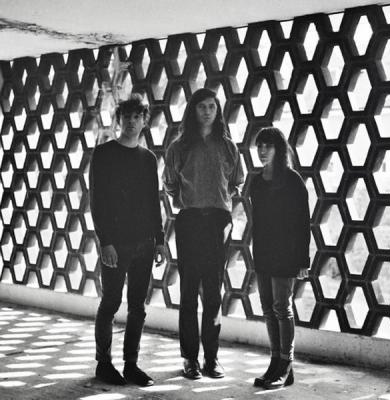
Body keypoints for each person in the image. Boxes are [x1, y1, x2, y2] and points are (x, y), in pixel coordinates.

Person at [163, 88, 244, 380]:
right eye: (202, 107)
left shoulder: (228, 146)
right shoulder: (179, 147)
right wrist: (191, 199)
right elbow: (169, 183)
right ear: (193, 110)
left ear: (217, 111)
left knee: (213, 292)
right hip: (190, 220)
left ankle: (212, 358)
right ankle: (190, 359)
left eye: (212, 106)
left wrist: (217, 199)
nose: (207, 111)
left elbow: (237, 181)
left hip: (218, 223)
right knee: (188, 293)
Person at [90, 94, 167, 386]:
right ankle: (103, 363)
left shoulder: (148, 159)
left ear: (144, 121)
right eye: (127, 116)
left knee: (138, 307)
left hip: (144, 243)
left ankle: (131, 365)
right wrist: (105, 241)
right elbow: (97, 202)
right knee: (110, 302)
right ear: (119, 119)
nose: (132, 122)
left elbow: (153, 202)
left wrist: (159, 240)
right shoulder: (104, 154)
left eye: (137, 117)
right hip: (116, 243)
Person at [249, 127, 310, 389]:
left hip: (287, 253)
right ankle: (276, 362)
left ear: (279, 149)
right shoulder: (256, 181)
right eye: (259, 146)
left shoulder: (293, 180)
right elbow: (257, 222)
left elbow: (303, 223)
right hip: (263, 252)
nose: (263, 151)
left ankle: (285, 364)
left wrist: (303, 261)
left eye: (268, 146)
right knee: (267, 308)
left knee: (282, 308)